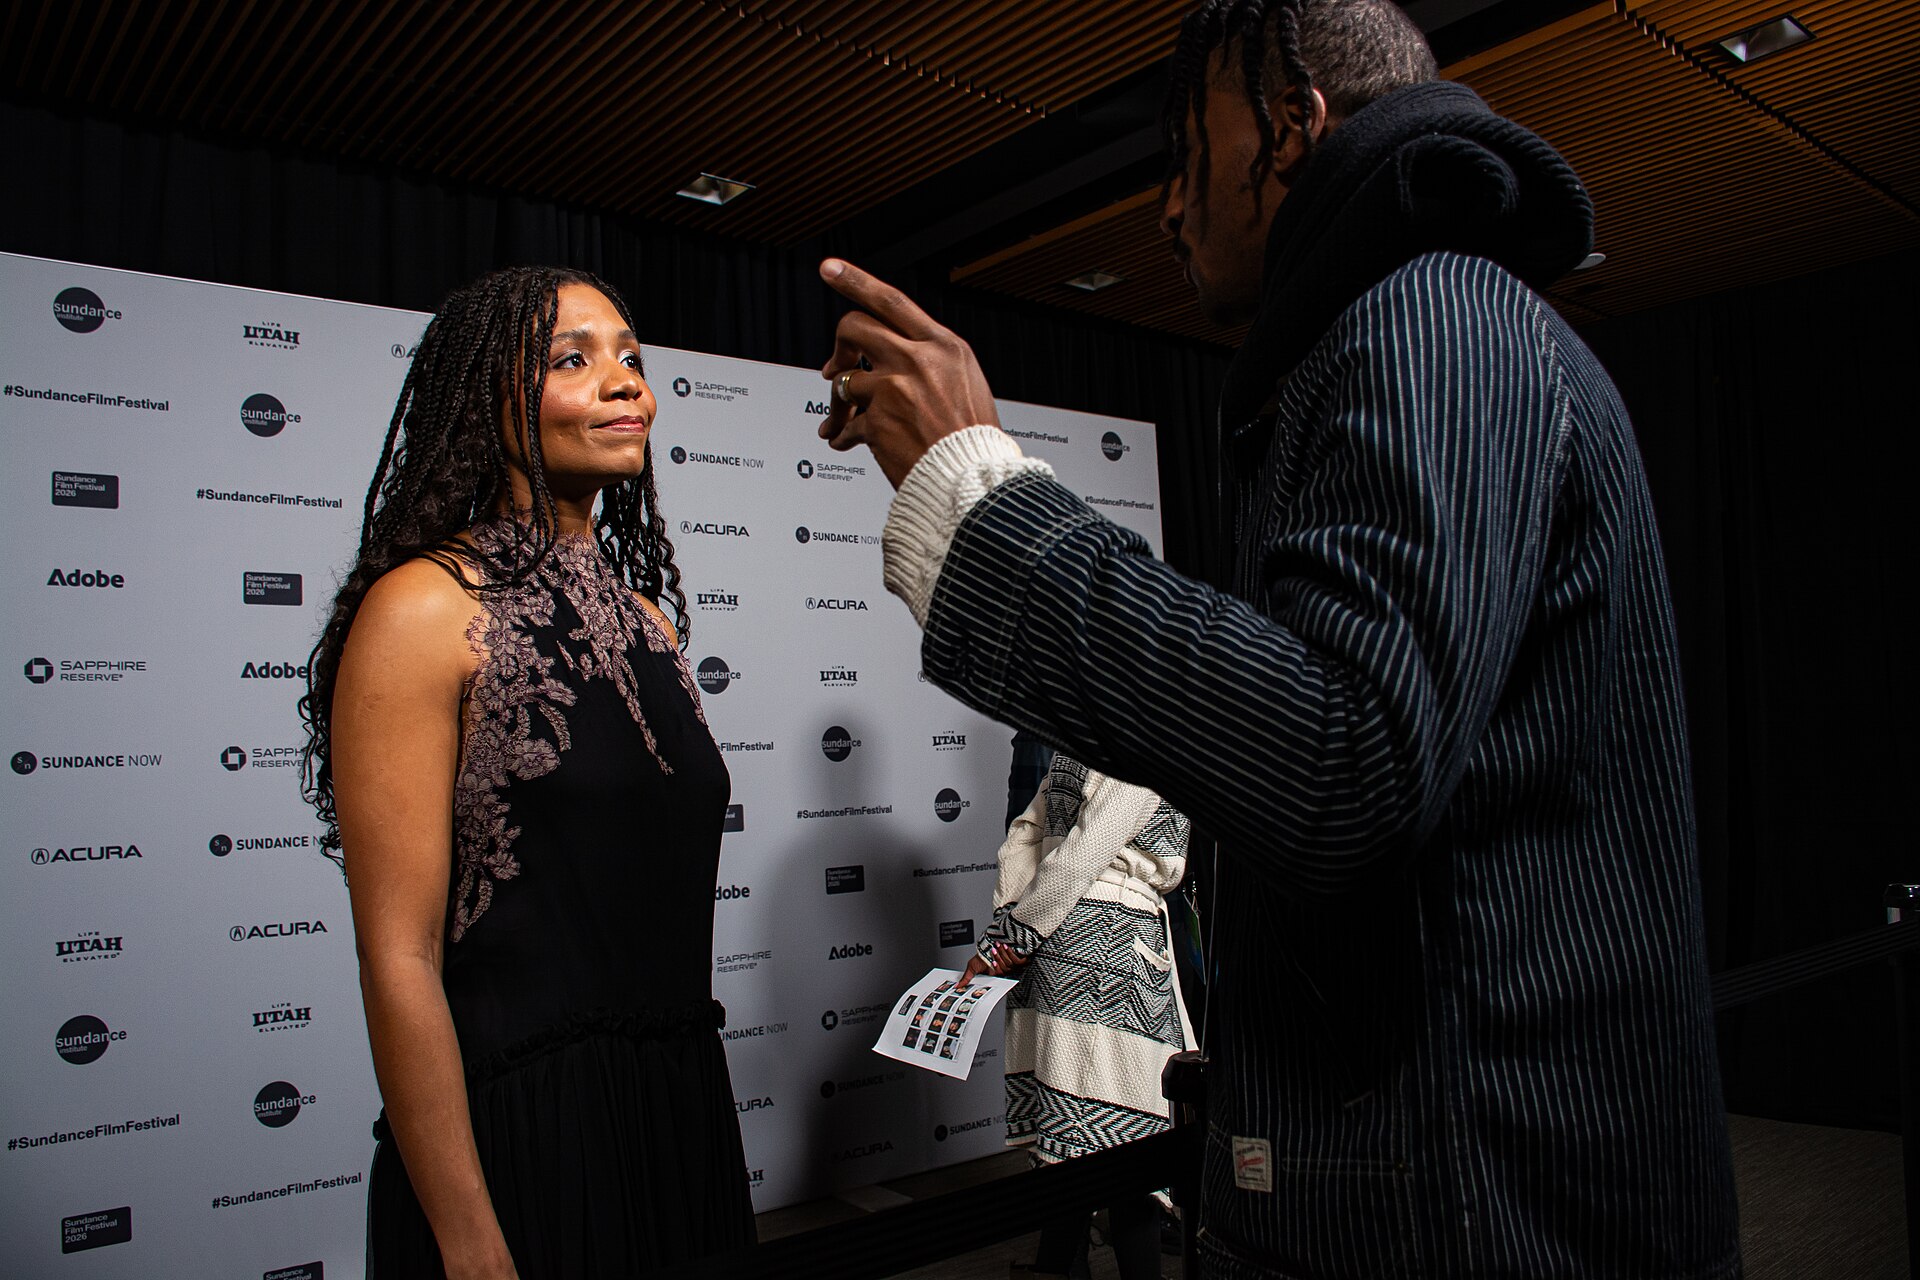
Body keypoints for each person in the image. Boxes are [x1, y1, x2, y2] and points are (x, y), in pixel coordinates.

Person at [809, 1, 1742, 1276]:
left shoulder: (1437, 317)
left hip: (1479, 1204)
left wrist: (983, 494)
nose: (1168, 207)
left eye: (1191, 154)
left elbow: (1342, 758)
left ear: (1294, 131)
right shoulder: (1402, 335)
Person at [300, 266, 753, 1279]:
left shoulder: (652, 623)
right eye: (572, 358)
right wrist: (468, 1240)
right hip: (522, 1143)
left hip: (676, 1121)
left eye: (632, 356)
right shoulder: (422, 610)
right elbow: (400, 955)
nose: (624, 382)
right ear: (483, 396)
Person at [961, 752, 1192, 1280]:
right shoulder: (1142, 729)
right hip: (1109, 950)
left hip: (1052, 940)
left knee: (1069, 1152)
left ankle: (1056, 1267)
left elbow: (1025, 832)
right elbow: (1088, 847)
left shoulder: (1075, 741)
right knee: (1130, 1154)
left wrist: (1008, 929)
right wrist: (1013, 936)